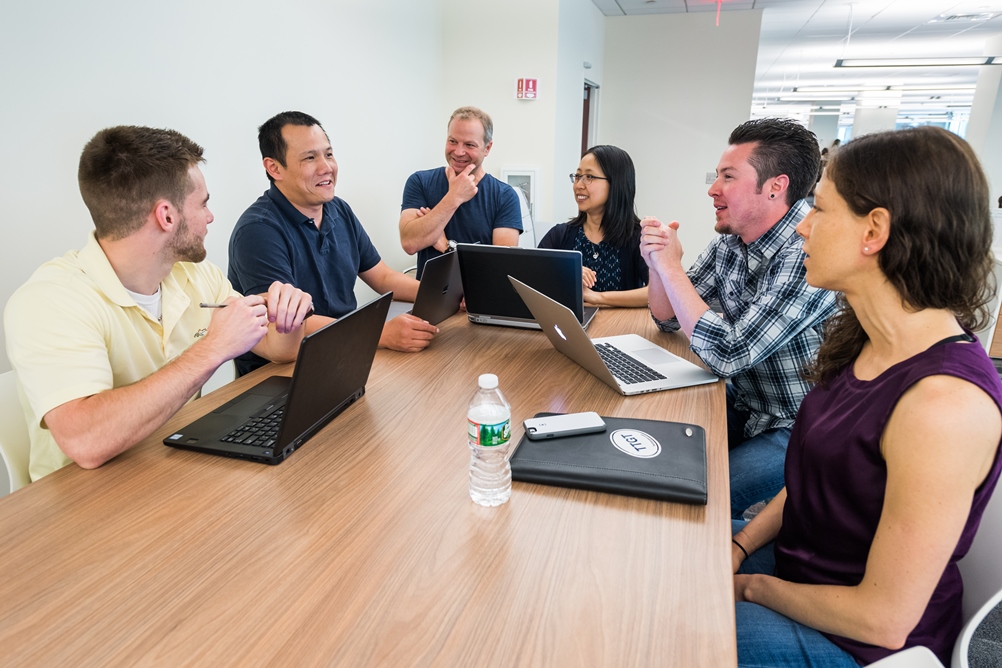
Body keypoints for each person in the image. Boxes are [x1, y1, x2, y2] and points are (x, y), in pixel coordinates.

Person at [730, 126, 1002, 666]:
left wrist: (748, 587)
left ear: (874, 230)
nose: (803, 228)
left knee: (671, 622)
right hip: (803, 573)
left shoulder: (943, 405)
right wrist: (738, 546)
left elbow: (883, 618)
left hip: (861, 643)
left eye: (820, 210)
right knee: (669, 549)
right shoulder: (867, 338)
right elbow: (816, 482)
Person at [4, 126, 313, 481]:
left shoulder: (196, 276)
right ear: (166, 216)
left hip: (173, 469)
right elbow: (85, 441)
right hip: (81, 503)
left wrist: (292, 317)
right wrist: (213, 348)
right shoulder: (49, 301)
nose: (210, 216)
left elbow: (279, 350)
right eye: (204, 203)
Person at [640, 118, 838, 519]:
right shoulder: (733, 238)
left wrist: (673, 269)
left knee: (699, 498)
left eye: (727, 177)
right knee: (657, 462)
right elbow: (667, 316)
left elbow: (730, 352)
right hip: (748, 400)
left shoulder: (807, 249)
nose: (713, 190)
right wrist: (656, 260)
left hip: (797, 425)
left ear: (775, 187)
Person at [229, 111, 439, 376]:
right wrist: (379, 334)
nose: (326, 167)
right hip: (279, 374)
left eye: (328, 154)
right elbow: (285, 324)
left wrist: (441, 295)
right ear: (274, 168)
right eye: (309, 157)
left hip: (345, 352)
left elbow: (383, 277)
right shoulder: (258, 231)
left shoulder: (338, 210)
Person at [398, 106, 522, 277]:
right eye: (453, 141)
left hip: (478, 299)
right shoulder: (420, 182)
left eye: (469, 145)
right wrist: (454, 197)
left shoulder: (504, 196)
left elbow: (500, 269)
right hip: (429, 299)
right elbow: (410, 243)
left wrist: (446, 246)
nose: (458, 152)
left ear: (487, 148)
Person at [538, 145, 648, 307]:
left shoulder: (639, 238)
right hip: (570, 328)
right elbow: (529, 281)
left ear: (616, 183)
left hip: (622, 329)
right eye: (577, 176)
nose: (578, 185)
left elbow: (658, 293)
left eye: (589, 177)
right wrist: (564, 272)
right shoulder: (559, 235)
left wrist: (596, 297)